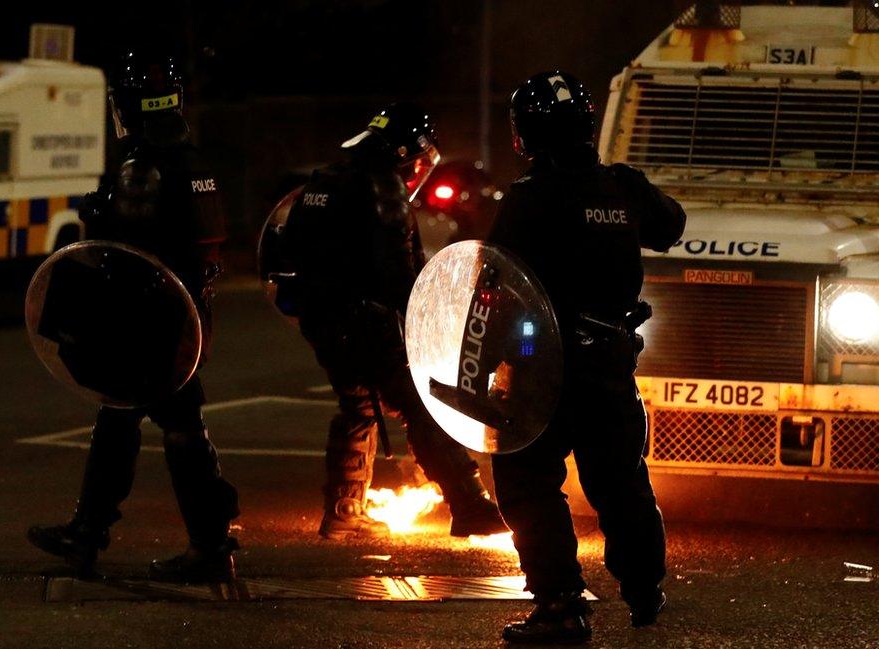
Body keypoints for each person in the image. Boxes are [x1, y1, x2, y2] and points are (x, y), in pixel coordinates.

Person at [488, 71, 686, 644]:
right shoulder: (621, 188)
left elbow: (493, 287)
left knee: (527, 482)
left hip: (540, 369)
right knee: (621, 481)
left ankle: (560, 606)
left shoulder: (525, 199)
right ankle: (646, 593)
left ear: (524, 133)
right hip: (609, 366)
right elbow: (670, 225)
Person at [27, 49, 239, 583]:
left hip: (146, 324)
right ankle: (89, 533)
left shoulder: (142, 168)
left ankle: (208, 548)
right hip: (184, 322)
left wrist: (96, 211)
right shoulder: (197, 166)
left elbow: (120, 253)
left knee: (176, 427)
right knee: (122, 416)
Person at [282, 104, 509, 540]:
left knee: (358, 405)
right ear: (406, 153)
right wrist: (422, 321)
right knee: (419, 406)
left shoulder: (323, 182)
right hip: (369, 323)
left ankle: (343, 510)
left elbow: (286, 253)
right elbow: (397, 273)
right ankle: (471, 507)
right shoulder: (382, 189)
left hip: (323, 321)